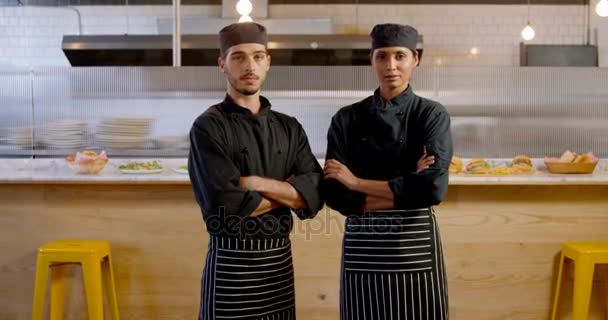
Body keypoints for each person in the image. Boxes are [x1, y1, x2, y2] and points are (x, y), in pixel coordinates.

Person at [188, 22, 323, 320]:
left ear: (268, 62)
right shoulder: (208, 127)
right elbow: (223, 208)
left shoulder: (289, 127)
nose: (250, 65)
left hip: (279, 270)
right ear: (222, 64)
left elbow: (314, 193)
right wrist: (288, 191)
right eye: (238, 56)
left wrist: (257, 184)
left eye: (258, 56)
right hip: (230, 274)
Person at [322, 23, 453, 320]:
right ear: (371, 60)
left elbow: (433, 189)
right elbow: (335, 194)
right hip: (363, 252)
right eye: (381, 56)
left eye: (400, 56)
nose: (390, 66)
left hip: (414, 251)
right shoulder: (346, 119)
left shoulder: (430, 115)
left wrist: (355, 182)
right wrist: (409, 187)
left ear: (415, 59)